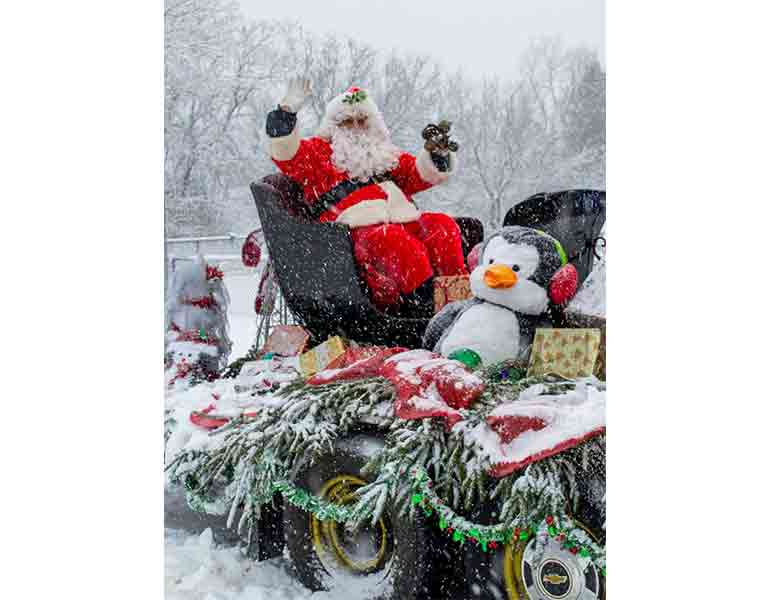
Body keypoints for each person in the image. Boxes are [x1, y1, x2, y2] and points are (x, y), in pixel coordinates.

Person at [265, 78, 467, 316]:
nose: (356, 127)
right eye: (347, 122)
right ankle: (424, 311)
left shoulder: (385, 155)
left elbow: (420, 174)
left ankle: (458, 302)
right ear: (334, 126)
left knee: (441, 225)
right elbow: (285, 153)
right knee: (392, 239)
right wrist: (285, 113)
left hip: (403, 222)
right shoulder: (318, 155)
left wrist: (437, 153)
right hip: (351, 237)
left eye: (362, 121)